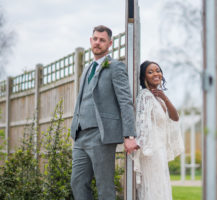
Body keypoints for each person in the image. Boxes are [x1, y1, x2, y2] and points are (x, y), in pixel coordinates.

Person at [70, 25, 138, 200]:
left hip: (101, 135)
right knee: (77, 183)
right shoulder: (86, 69)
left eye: (102, 40)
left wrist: (129, 134)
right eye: (95, 39)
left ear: (109, 43)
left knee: (104, 186)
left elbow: (125, 101)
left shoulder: (115, 67)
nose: (98, 43)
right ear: (90, 41)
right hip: (80, 135)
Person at [133, 60, 184, 200]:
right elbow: (141, 123)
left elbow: (175, 117)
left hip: (159, 151)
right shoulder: (145, 96)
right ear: (144, 78)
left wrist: (164, 97)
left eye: (158, 70)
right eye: (150, 72)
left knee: (160, 188)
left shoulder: (159, 99)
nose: (156, 73)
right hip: (150, 152)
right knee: (153, 189)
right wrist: (141, 145)